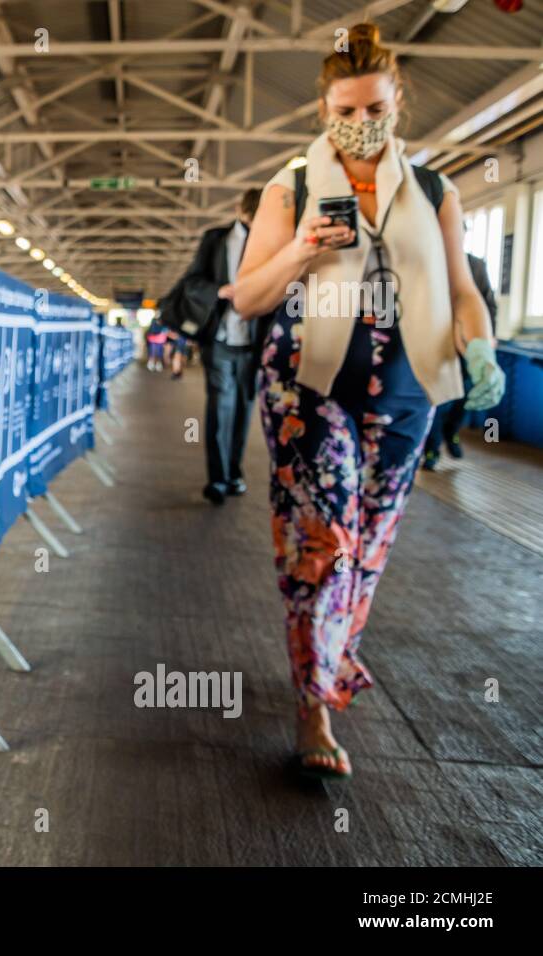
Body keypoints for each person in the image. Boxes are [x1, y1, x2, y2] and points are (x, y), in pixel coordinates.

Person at [230, 23, 505, 781]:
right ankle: (313, 700)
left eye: (374, 105)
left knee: (371, 548)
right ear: (323, 108)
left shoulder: (436, 191)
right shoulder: (291, 186)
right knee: (328, 542)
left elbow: (461, 292)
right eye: (344, 109)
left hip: (406, 389)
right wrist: (300, 248)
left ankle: (326, 652)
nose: (361, 122)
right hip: (309, 386)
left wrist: (477, 343)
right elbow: (247, 296)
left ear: (398, 100)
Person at [177, 188, 265, 504]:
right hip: (220, 339)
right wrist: (220, 290)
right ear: (242, 211)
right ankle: (216, 478)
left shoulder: (271, 242)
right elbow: (192, 284)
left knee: (244, 407)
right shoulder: (215, 239)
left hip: (253, 343)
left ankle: (233, 474)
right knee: (219, 406)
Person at [423, 252, 498, 469]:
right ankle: (431, 450)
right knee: (435, 398)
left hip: (467, 345)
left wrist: (487, 339)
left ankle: (452, 431)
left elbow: (488, 303)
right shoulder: (429, 260)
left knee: (464, 395)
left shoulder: (475, 265)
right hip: (434, 344)